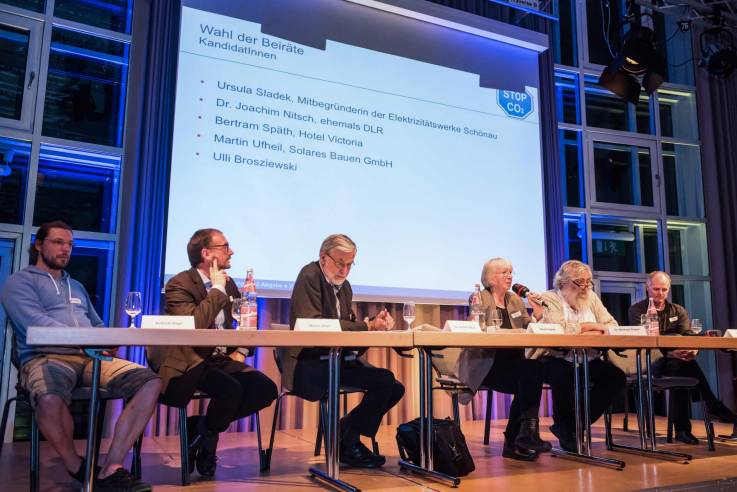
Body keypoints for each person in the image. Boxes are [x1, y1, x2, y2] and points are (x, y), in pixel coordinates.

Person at [0, 221, 161, 492]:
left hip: (90, 357)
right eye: (58, 242)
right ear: (39, 245)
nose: (66, 249)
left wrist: (107, 340)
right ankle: (78, 467)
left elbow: (95, 324)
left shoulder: (76, 286)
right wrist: (89, 340)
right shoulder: (19, 282)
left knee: (149, 382)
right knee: (49, 397)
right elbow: (36, 325)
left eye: (70, 244)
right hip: (46, 358)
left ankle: (111, 468)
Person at [148, 228, 277, 477]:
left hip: (219, 359)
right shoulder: (179, 284)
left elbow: (245, 320)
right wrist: (216, 290)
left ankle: (203, 428)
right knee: (231, 389)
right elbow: (195, 325)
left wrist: (240, 350)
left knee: (265, 389)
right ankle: (208, 440)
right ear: (206, 253)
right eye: (225, 246)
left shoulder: (228, 285)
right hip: (189, 359)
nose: (232, 251)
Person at [284, 233, 405, 468]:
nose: (345, 270)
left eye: (350, 264)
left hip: (337, 360)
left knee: (393, 387)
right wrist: (365, 326)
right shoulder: (310, 276)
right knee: (384, 381)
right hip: (309, 364)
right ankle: (348, 441)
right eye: (341, 263)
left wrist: (373, 327)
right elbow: (315, 326)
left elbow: (347, 333)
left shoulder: (344, 287)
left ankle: (345, 434)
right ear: (323, 257)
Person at [528, 260, 626, 452]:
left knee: (616, 378)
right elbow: (560, 330)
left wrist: (592, 330)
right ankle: (565, 427)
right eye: (580, 282)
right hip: (557, 356)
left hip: (588, 357)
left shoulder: (592, 297)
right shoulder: (550, 297)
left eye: (588, 282)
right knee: (563, 375)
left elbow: (612, 325)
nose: (585, 287)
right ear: (564, 281)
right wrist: (592, 327)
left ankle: (571, 426)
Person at [628, 271, 737, 444]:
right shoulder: (638, 310)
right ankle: (711, 405)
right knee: (683, 367)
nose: (660, 293)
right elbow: (643, 341)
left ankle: (683, 429)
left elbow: (687, 336)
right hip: (652, 361)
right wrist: (671, 351)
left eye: (664, 289)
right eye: (656, 289)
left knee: (682, 368)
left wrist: (694, 349)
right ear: (648, 288)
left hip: (677, 361)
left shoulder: (678, 310)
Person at [471, 258, 551, 460]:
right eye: (503, 272)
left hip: (515, 364)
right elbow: (479, 328)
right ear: (490, 278)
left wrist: (537, 312)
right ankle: (520, 437)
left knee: (532, 370)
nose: (509, 276)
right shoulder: (480, 297)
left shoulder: (515, 300)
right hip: (488, 365)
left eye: (510, 272)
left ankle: (523, 436)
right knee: (529, 376)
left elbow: (528, 327)